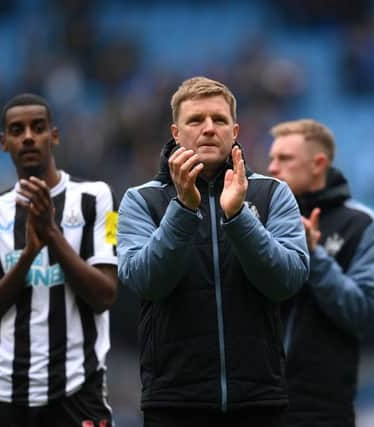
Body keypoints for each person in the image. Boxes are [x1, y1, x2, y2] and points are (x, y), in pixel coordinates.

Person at [117, 76, 309, 427]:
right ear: (176, 133)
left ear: (235, 131)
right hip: (173, 402)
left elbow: (288, 280)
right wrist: (183, 209)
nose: (208, 129)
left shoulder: (272, 194)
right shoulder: (139, 200)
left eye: (219, 120)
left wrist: (237, 216)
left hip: (259, 401)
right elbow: (144, 281)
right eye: (195, 121)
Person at [0, 93, 119, 427]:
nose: (29, 137)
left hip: (80, 389)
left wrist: (52, 235)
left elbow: (105, 294)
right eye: (17, 130)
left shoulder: (100, 198)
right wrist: (29, 256)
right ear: (3, 142)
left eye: (38, 127)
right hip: (7, 392)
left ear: (55, 135)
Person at [268, 119, 374, 427]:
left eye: (284, 159)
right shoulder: (258, 220)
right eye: (272, 158)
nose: (272, 168)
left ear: (318, 164)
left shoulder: (361, 224)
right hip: (256, 402)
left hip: (322, 407)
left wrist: (314, 255)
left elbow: (361, 310)